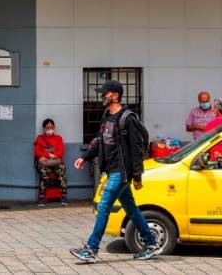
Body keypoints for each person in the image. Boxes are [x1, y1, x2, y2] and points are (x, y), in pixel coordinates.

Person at [70, 79, 159, 263]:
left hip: (121, 172)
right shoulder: (106, 115)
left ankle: (91, 249)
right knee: (131, 208)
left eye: (105, 93)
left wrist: (137, 175)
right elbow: (100, 141)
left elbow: (136, 150)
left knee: (103, 207)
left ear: (115, 95)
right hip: (111, 170)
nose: (102, 96)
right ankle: (151, 243)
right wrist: (85, 157)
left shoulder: (128, 118)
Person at [33, 118, 68, 207]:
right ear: (44, 128)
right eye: (47, 127)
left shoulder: (58, 138)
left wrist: (47, 155)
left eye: (51, 127)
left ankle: (64, 197)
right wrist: (50, 155)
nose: (49, 129)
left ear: (54, 127)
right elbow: (37, 152)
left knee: (62, 171)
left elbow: (61, 151)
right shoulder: (39, 138)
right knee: (44, 174)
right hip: (45, 164)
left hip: (56, 163)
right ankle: (41, 198)